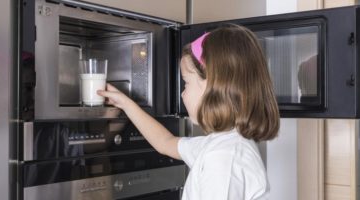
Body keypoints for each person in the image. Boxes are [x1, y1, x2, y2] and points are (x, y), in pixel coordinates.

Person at [98, 25, 280, 200]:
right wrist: (125, 104)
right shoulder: (222, 144)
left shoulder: (223, 158)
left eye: (186, 83)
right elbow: (165, 143)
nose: (182, 93)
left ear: (214, 86)